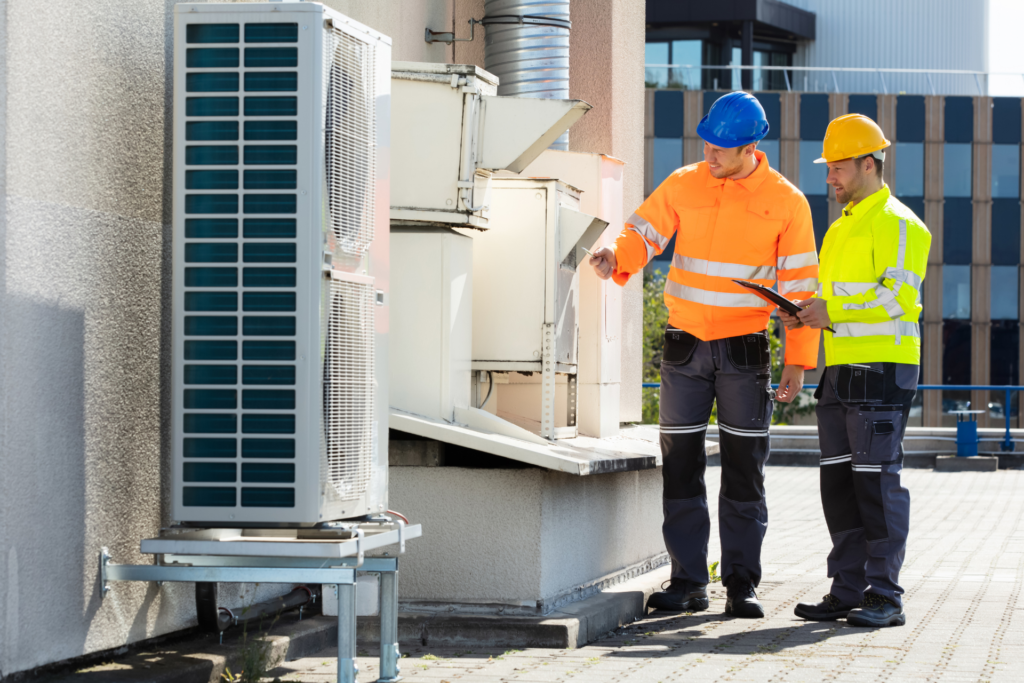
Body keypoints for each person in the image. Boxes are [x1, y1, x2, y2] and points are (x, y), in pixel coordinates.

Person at [590, 92, 820, 619]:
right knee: (681, 468)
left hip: (745, 352)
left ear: (752, 146)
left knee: (744, 471)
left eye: (723, 148)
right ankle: (689, 582)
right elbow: (643, 233)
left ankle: (741, 586)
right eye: (708, 144)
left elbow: (802, 290)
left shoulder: (787, 202)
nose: (711, 154)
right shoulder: (683, 183)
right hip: (684, 348)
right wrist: (616, 256)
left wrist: (797, 362)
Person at [780, 114, 931, 628]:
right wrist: (805, 311)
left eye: (838, 167)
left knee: (876, 484)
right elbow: (839, 300)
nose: (830, 177)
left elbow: (899, 300)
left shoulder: (901, 224)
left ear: (869, 164)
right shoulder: (843, 227)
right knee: (839, 486)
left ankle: (886, 596)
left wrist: (831, 311)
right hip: (841, 371)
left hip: (883, 372)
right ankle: (846, 590)